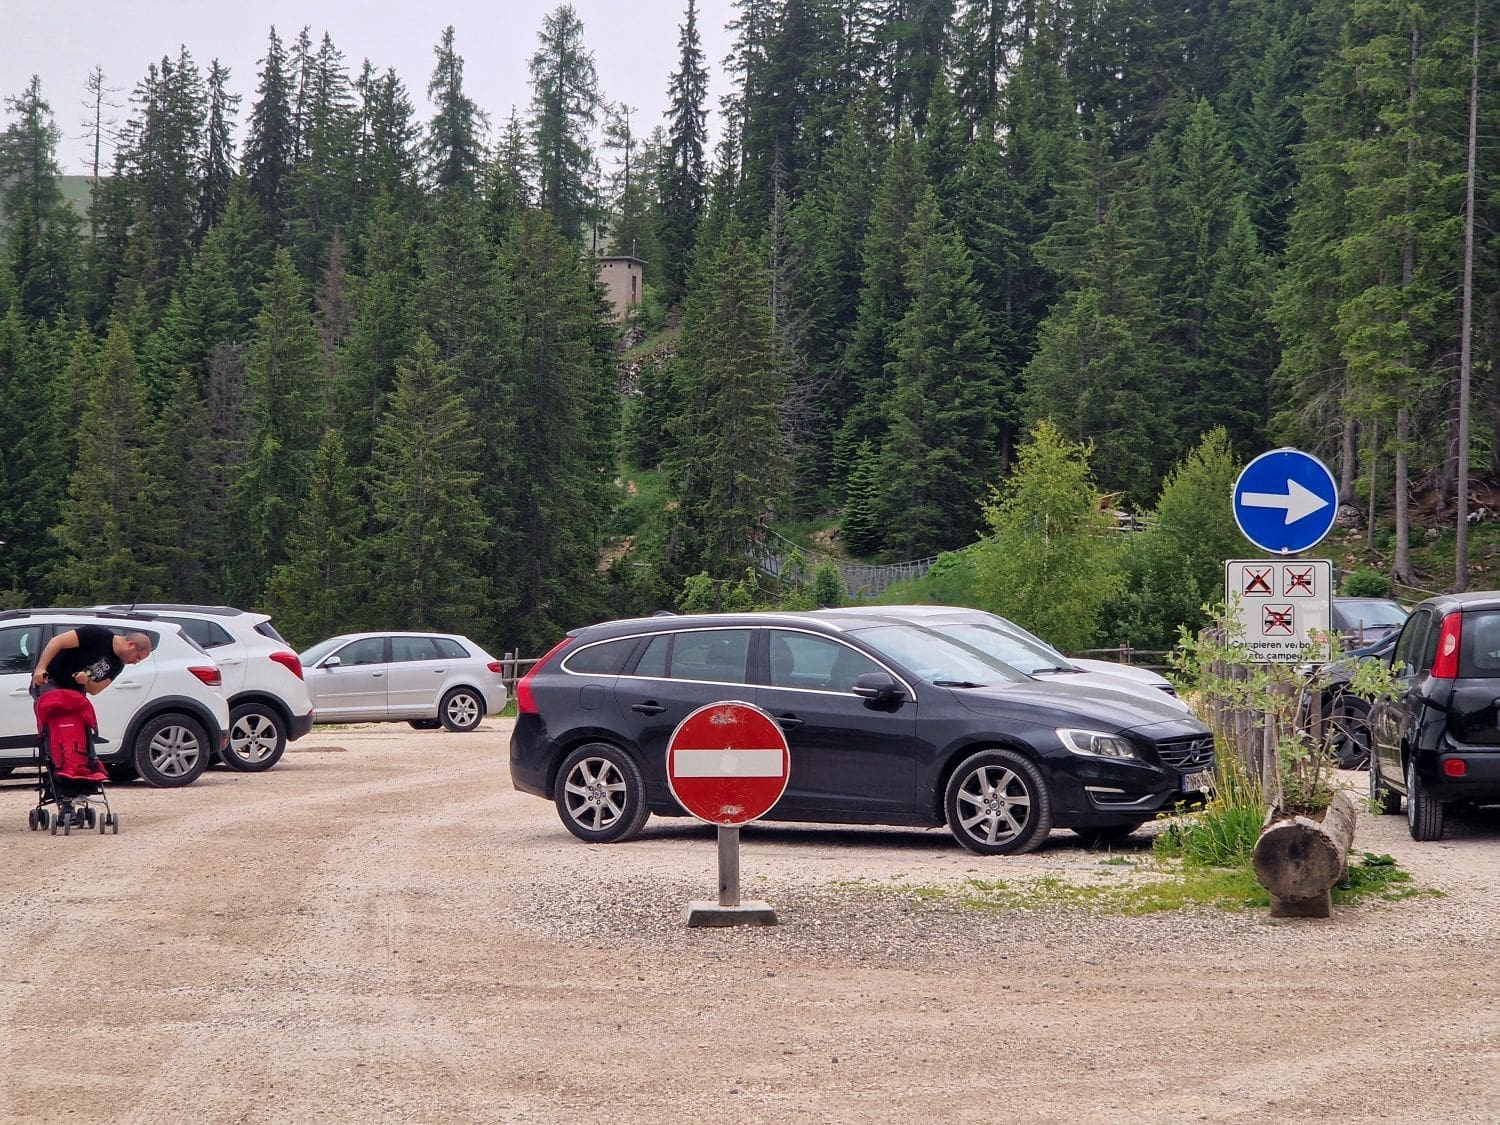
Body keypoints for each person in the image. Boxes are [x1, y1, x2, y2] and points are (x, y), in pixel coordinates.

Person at [30, 626, 152, 701]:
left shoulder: (118, 665)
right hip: (51, 681)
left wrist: (87, 680)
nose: (135, 662)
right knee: (56, 714)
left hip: (74, 694)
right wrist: (41, 668)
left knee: (82, 728)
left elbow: (95, 690)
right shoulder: (98, 635)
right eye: (137, 657)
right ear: (131, 645)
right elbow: (57, 641)